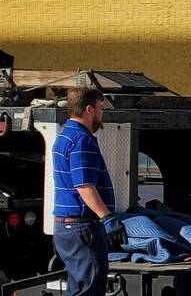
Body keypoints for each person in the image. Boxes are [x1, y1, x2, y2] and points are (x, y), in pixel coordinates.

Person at [51, 86, 124, 296]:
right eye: (101, 108)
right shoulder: (83, 141)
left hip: (66, 228)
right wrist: (107, 218)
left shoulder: (65, 137)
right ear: (89, 110)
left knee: (78, 288)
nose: (101, 114)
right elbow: (84, 186)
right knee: (90, 288)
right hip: (82, 229)